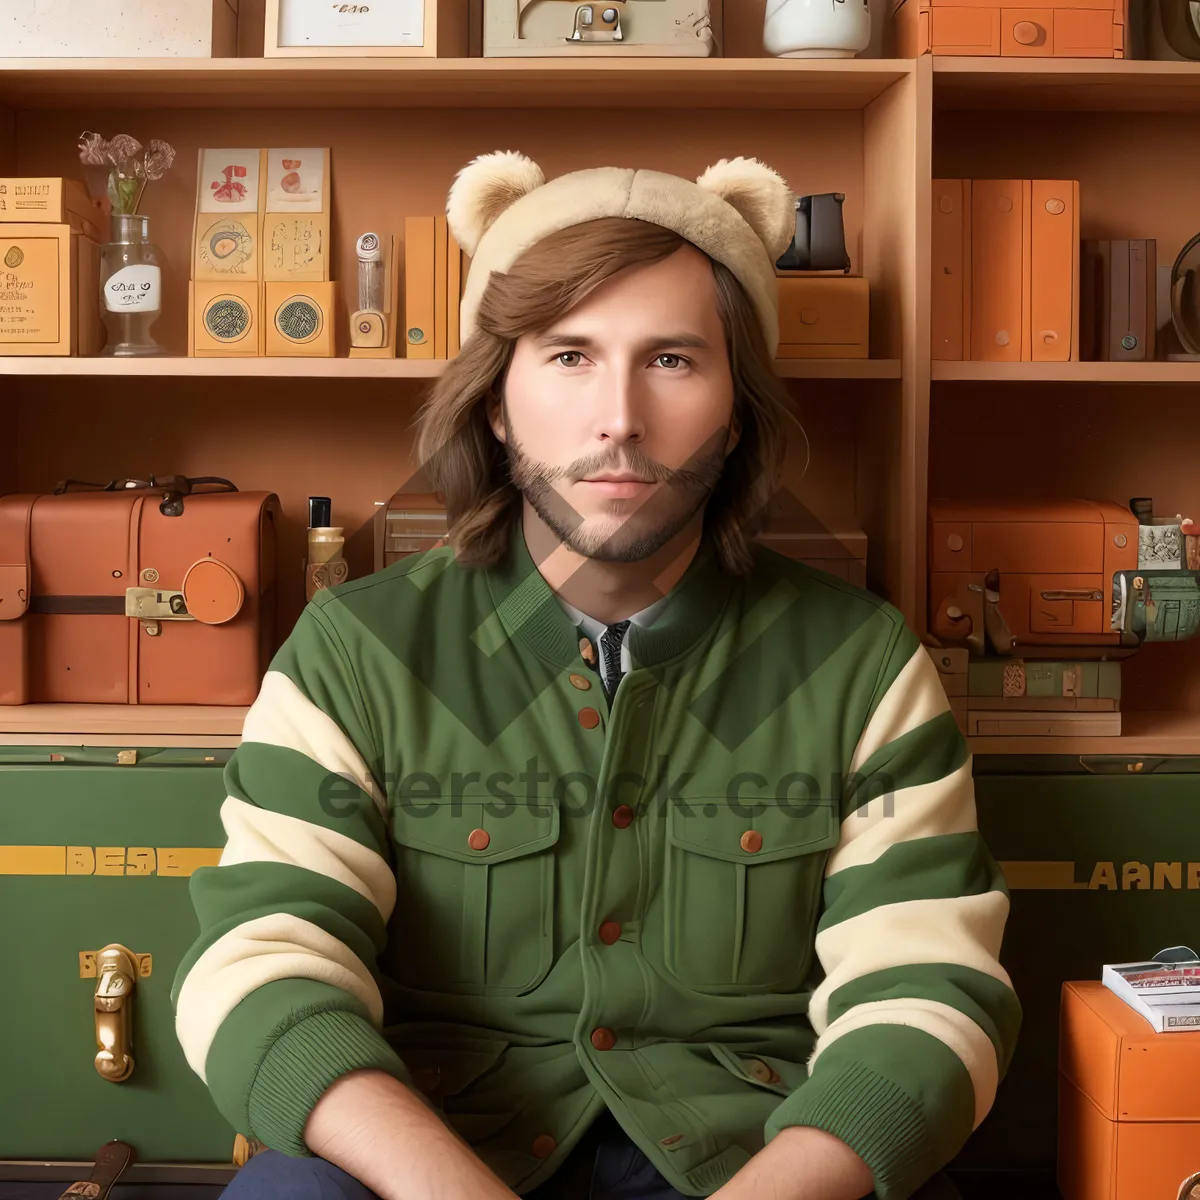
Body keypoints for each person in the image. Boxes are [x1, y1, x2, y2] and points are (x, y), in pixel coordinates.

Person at [172, 150, 1021, 1200]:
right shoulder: (356, 650)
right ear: (496, 404)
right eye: (569, 356)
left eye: (672, 360)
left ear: (738, 409)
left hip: (755, 1156)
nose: (619, 416)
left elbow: (927, 994)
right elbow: (263, 965)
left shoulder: (859, 664)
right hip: (437, 1146)